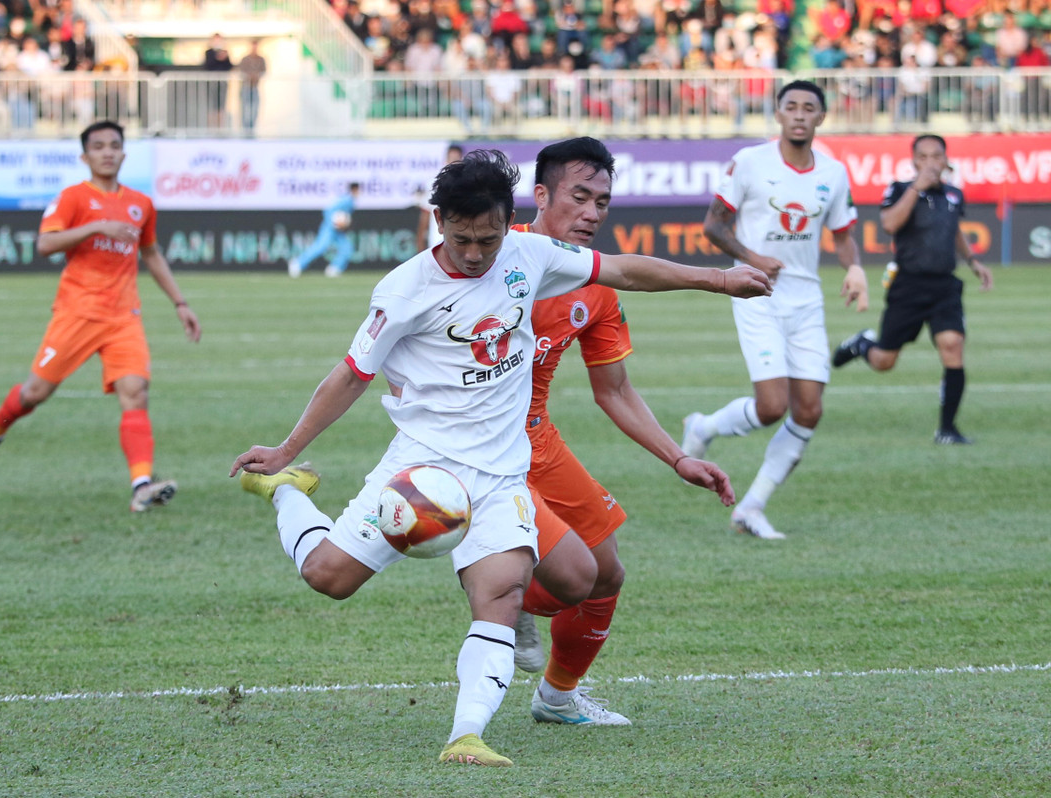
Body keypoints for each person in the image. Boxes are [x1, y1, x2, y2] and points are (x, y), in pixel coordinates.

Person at [230, 150, 771, 768]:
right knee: (329, 578)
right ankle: (286, 491)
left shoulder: (529, 255)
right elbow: (352, 375)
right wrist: (286, 453)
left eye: (487, 240)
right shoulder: (403, 290)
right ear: (438, 221)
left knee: (504, 595)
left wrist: (718, 280)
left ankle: (467, 736)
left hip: (502, 475)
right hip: (421, 469)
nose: (474, 254)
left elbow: (623, 270)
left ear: (506, 224)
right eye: (460, 239)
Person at [510, 137, 736, 726]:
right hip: (475, 443)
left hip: (535, 436)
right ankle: (506, 594)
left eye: (602, 202)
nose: (592, 212)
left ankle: (557, 697)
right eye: (579, 196)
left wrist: (678, 458)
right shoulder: (495, 251)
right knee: (572, 575)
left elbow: (613, 391)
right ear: (541, 196)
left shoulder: (597, 289)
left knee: (606, 571)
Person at [0, 120, 202, 512]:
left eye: (114, 145)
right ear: (84, 156)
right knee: (34, 393)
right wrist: (97, 227)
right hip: (77, 313)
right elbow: (45, 243)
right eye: (98, 146)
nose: (107, 152)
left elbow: (151, 254)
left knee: (135, 392)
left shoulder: (141, 204)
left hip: (123, 317)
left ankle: (141, 486)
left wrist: (180, 303)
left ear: (124, 153)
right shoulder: (73, 198)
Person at [681, 80, 868, 541]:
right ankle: (704, 426)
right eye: (792, 106)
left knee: (809, 411)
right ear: (779, 114)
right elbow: (714, 225)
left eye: (809, 108)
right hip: (756, 292)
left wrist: (855, 268)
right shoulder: (750, 161)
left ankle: (752, 507)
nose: (800, 114)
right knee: (771, 407)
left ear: (821, 117)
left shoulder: (834, 172)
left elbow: (843, 234)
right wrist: (753, 258)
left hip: (806, 300)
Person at [832, 135, 993, 444]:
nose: (930, 162)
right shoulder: (899, 189)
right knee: (885, 362)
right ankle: (862, 345)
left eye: (936, 156)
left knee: (952, 345)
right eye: (923, 156)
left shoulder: (954, 195)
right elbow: (890, 224)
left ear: (945, 160)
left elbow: (954, 231)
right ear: (914, 161)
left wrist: (973, 261)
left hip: (945, 285)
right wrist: (916, 188)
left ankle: (947, 430)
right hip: (908, 285)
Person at [288, 182, 361, 278]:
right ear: (354, 190)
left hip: (338, 231)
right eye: (358, 190)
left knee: (347, 248)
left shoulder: (351, 202)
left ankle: (334, 268)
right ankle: (297, 263)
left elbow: (345, 219)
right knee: (320, 247)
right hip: (329, 228)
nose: (359, 193)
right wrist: (335, 223)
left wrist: (342, 226)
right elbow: (328, 210)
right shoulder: (345, 200)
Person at [415, 143, 463, 252]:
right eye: (451, 159)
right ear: (446, 160)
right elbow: (425, 216)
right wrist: (420, 245)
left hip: (461, 244)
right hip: (438, 242)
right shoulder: (434, 184)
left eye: (456, 159)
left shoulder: (468, 185)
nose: (453, 163)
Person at [238, 39, 267, 134]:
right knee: (244, 108)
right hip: (245, 87)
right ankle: (245, 129)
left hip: (255, 87)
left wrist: (256, 76)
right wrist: (249, 76)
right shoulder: (245, 59)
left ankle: (252, 128)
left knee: (255, 108)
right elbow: (242, 71)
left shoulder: (261, 59)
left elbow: (264, 71)